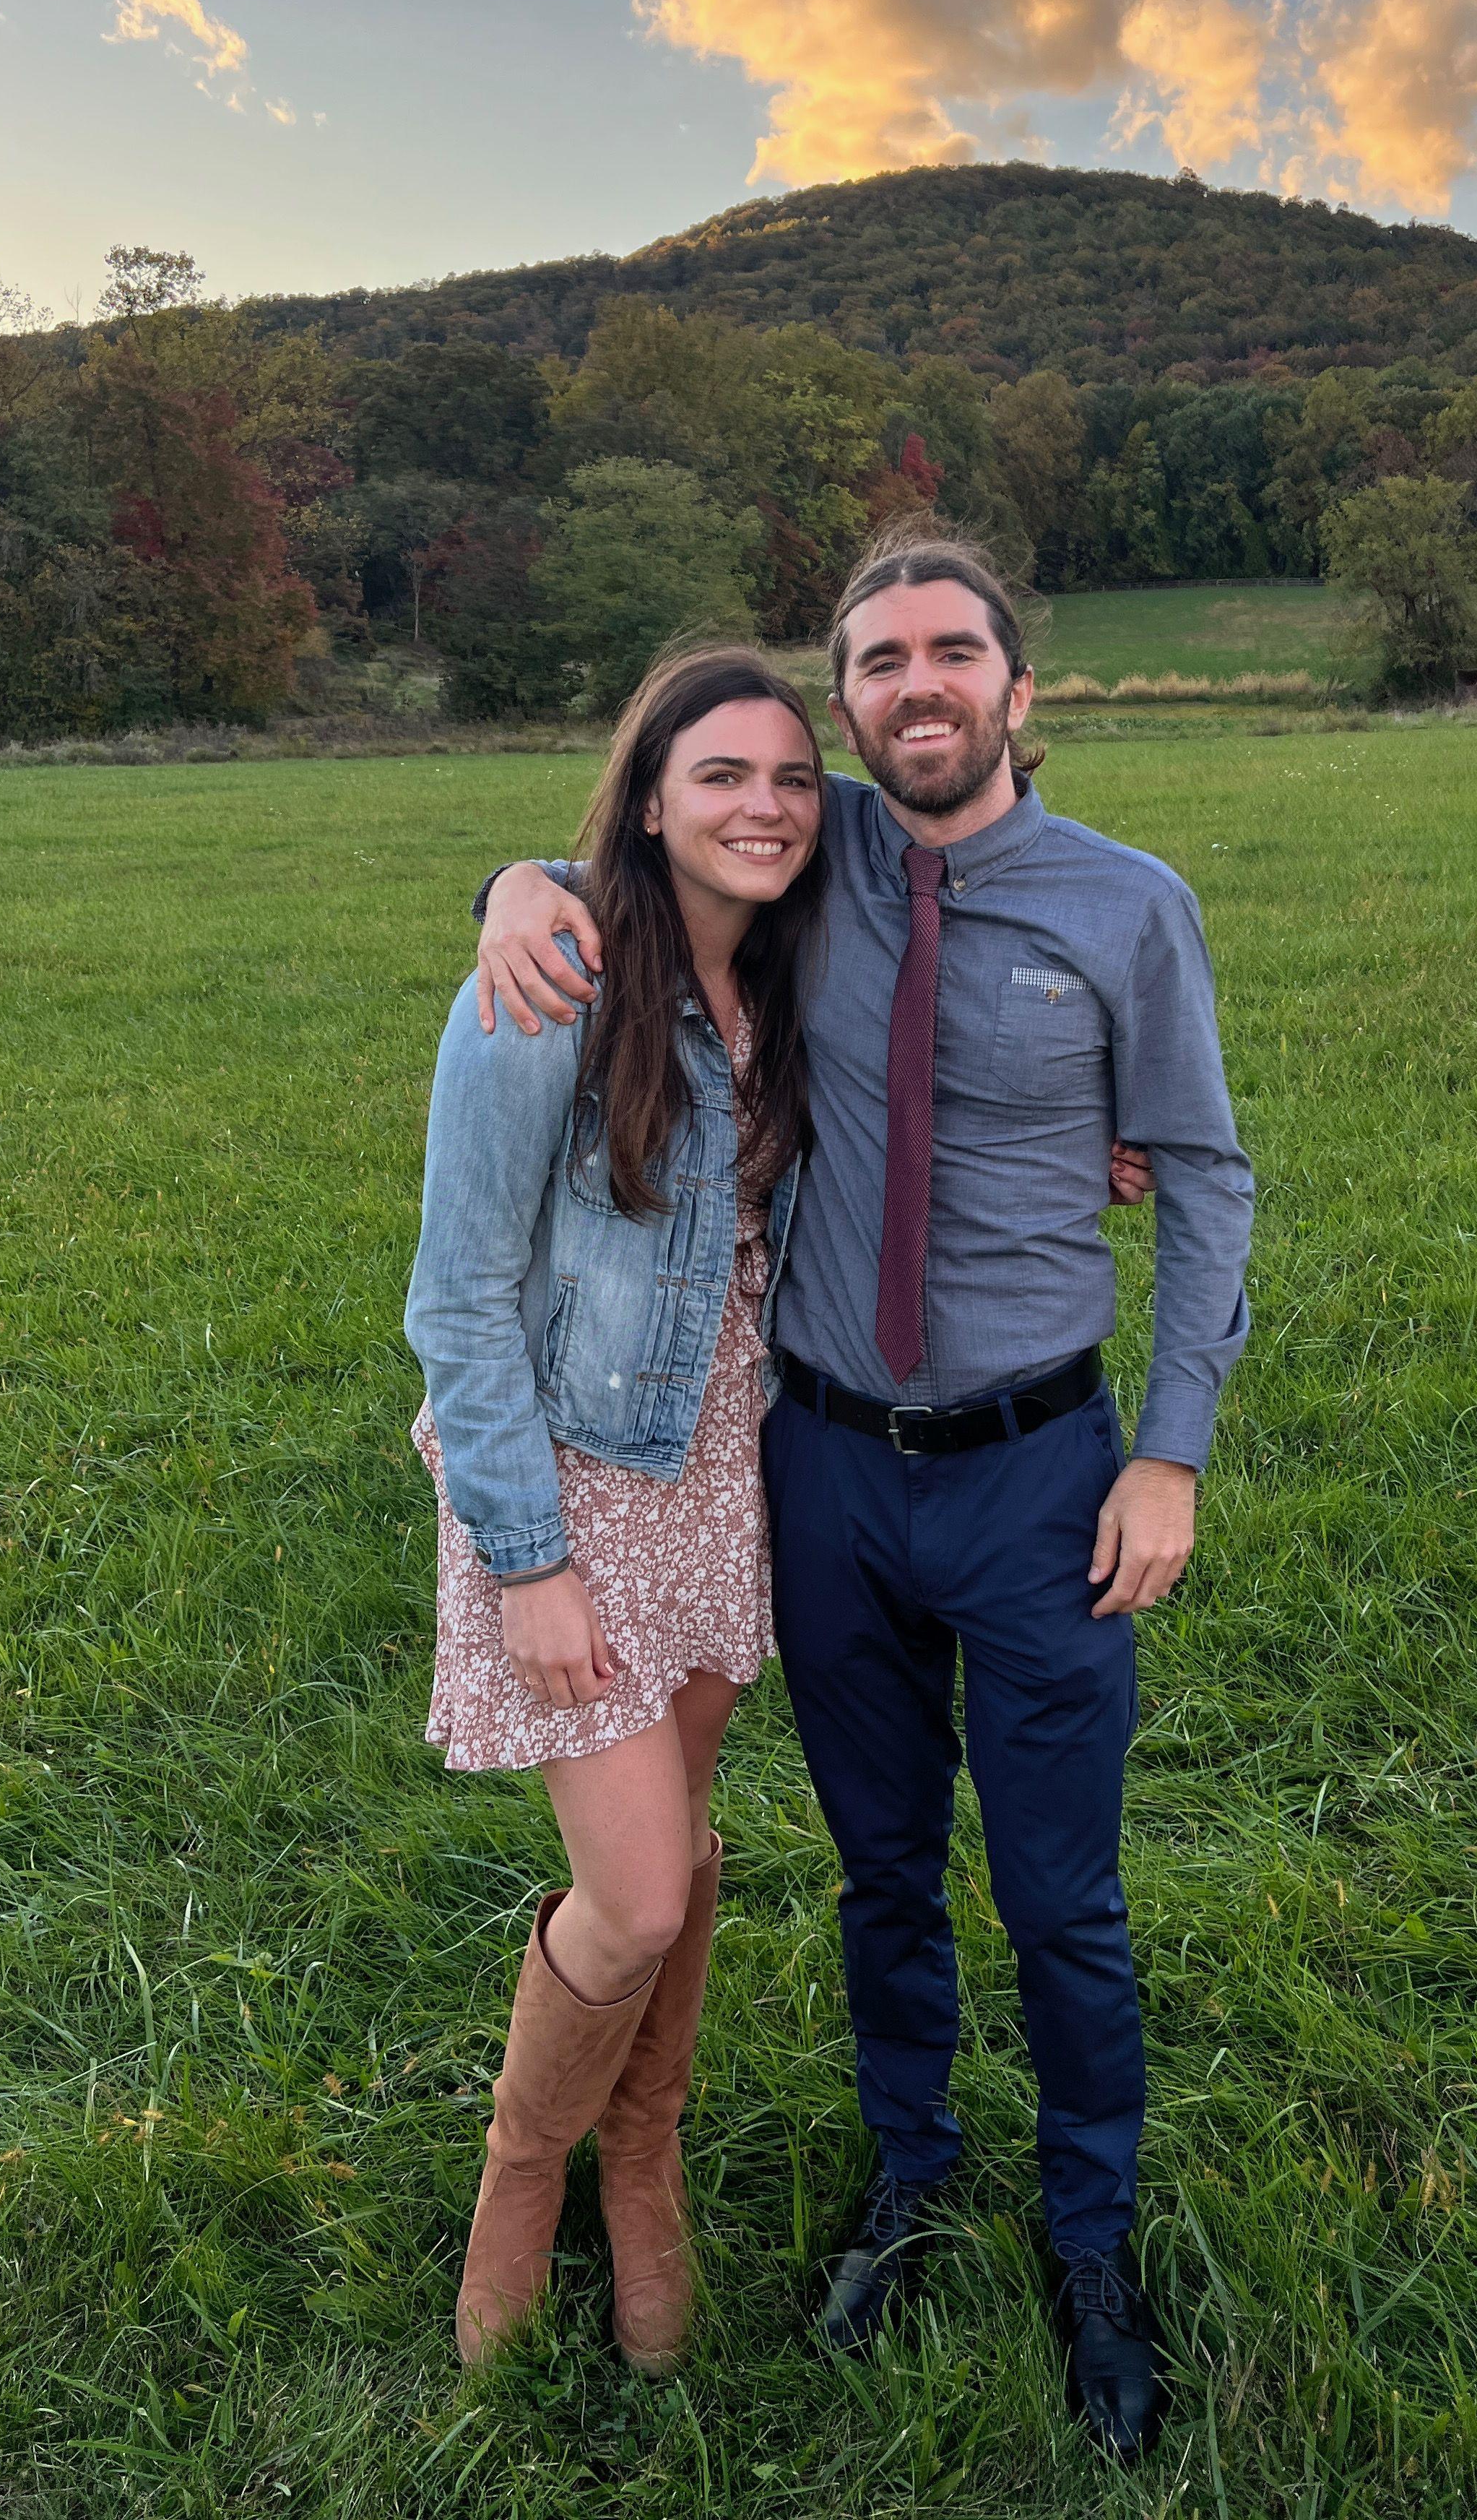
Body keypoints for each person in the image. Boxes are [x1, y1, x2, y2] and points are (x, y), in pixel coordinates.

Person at [471, 526, 1255, 2462]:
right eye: (882, 662)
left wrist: (1169, 1450)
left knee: (1061, 1895)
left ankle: (1092, 2243)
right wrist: (512, 887)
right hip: (819, 1468)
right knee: (882, 1869)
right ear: (848, 706)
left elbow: (1205, 1177)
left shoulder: (1130, 907)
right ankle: (911, 2176)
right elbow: (644, 845)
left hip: (1041, 1476)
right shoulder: (808, 867)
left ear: (1018, 685)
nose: (920, 686)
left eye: (952, 653)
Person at [403, 644, 831, 2376]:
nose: (763, 807)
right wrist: (530, 1564)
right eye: (719, 775)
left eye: (792, 778)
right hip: (575, 1480)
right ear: (648, 800)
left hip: (729, 1471)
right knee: (641, 1892)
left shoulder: (797, 968)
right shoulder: (550, 982)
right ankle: (527, 2169)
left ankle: (641, 2151)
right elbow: (456, 1300)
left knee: (688, 1836)